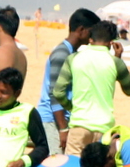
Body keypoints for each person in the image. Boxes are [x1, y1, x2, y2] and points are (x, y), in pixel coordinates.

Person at [51, 20, 130, 155]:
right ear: (112, 42)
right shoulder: (115, 63)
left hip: (79, 125)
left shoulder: (73, 58)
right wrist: (119, 59)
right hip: (104, 129)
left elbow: (58, 92)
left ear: (90, 39)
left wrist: (72, 107)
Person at [37, 8, 99, 157]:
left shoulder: (72, 54)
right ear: (81, 30)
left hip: (61, 119)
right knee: (56, 160)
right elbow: (55, 93)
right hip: (51, 119)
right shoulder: (61, 54)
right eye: (92, 32)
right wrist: (63, 129)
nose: (93, 37)